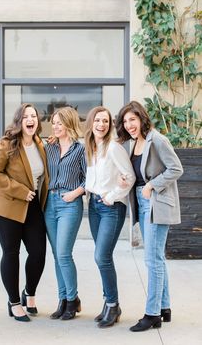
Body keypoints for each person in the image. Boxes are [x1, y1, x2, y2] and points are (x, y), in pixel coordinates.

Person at [115, 101, 183, 332]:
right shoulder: (134, 143)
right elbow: (139, 174)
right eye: (125, 121)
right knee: (157, 258)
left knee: (152, 260)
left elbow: (176, 168)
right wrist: (127, 181)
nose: (129, 125)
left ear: (142, 118)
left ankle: (152, 313)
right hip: (142, 203)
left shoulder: (158, 140)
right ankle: (164, 308)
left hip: (155, 203)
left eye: (132, 119)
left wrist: (153, 185)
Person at [0, 103, 49, 322]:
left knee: (38, 252)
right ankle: (14, 302)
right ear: (19, 121)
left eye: (34, 116)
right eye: (26, 116)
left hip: (32, 207)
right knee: (11, 253)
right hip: (7, 207)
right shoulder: (6, 145)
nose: (31, 119)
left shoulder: (41, 144)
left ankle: (29, 293)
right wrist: (21, 190)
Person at [84, 106, 135, 328]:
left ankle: (113, 304)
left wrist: (113, 195)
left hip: (111, 208)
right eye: (98, 120)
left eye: (105, 121)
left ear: (110, 125)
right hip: (94, 207)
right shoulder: (91, 148)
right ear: (91, 123)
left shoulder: (114, 148)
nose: (101, 125)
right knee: (103, 257)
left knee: (101, 256)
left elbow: (129, 176)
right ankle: (108, 303)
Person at [44, 106, 86, 321]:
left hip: (70, 203)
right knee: (56, 255)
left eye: (59, 123)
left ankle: (72, 299)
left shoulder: (80, 149)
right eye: (53, 123)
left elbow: (90, 179)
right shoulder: (48, 147)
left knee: (63, 253)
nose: (55, 126)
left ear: (69, 123)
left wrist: (74, 193)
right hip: (49, 204)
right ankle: (62, 300)